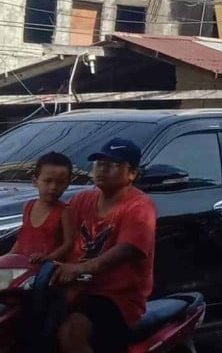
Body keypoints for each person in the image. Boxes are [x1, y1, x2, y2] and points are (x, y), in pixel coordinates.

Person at [52, 138, 157, 353]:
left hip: (116, 297)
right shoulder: (82, 199)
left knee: (72, 333)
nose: (102, 169)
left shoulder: (139, 205)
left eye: (113, 165)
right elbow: (54, 230)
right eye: (99, 164)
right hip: (73, 290)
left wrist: (81, 267)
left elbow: (125, 249)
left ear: (132, 174)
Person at [5, 152, 75, 263]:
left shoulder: (64, 212)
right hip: (24, 268)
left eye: (60, 182)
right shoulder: (28, 206)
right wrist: (8, 257)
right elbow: (22, 239)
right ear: (35, 181)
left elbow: (69, 244)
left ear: (67, 185)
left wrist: (49, 258)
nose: (53, 187)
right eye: (47, 181)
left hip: (49, 270)